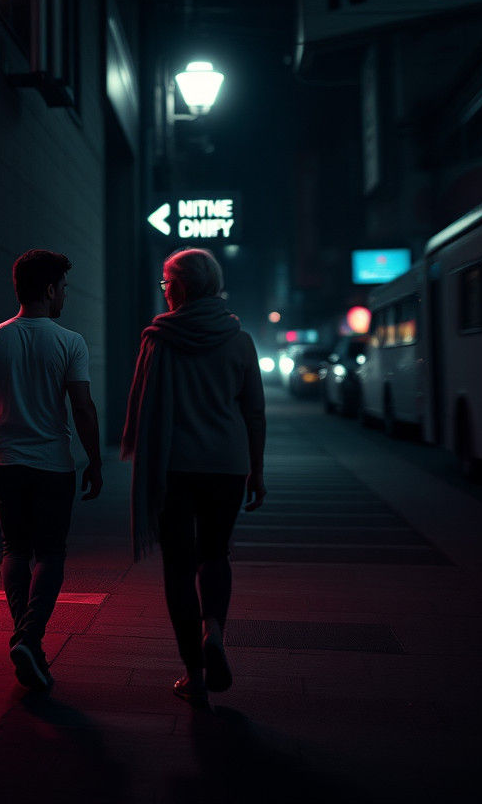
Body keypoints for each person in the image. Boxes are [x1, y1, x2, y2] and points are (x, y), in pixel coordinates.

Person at [121, 248, 266, 710]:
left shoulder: (159, 339)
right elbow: (254, 412)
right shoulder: (239, 340)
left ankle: (193, 674)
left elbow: (143, 407)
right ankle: (215, 631)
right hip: (227, 464)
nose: (164, 292)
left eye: (167, 284)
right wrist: (257, 469)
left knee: (178, 567)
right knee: (215, 554)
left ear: (180, 287)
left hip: (174, 467)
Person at [0, 249, 103, 691]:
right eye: (63, 287)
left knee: (14, 551)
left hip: (4, 461)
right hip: (53, 465)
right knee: (51, 554)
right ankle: (30, 635)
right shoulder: (69, 341)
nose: (65, 296)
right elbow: (81, 405)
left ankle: (27, 641)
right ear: (48, 289)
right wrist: (95, 459)